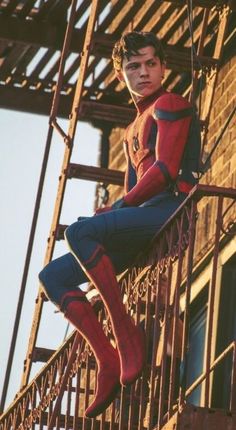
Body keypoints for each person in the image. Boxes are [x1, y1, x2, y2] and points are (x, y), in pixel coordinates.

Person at [39, 31, 201, 418]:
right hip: (144, 217)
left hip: (171, 209)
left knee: (78, 232)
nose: (143, 72)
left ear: (162, 67)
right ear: (121, 75)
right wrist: (112, 211)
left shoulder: (170, 103)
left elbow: (163, 172)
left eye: (150, 64)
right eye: (133, 66)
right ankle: (108, 359)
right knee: (53, 278)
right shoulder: (133, 128)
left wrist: (118, 206)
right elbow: (133, 188)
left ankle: (123, 330)